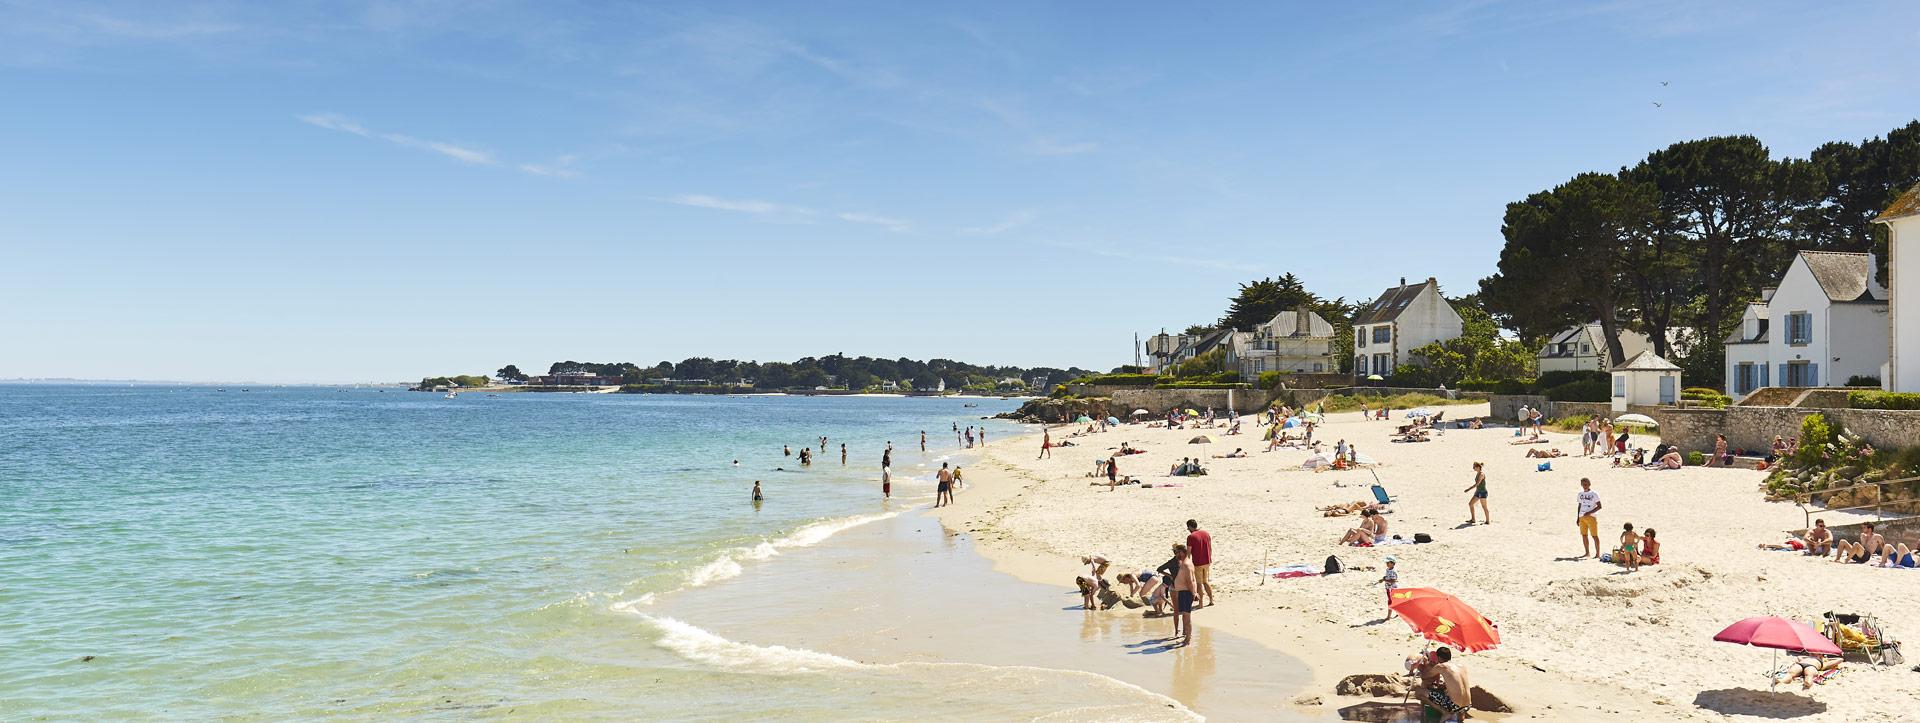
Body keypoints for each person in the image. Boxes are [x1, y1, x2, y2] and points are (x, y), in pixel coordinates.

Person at [1427, 647, 1471, 720]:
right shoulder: (1462, 666)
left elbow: (1426, 675)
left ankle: (1444, 712)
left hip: (1454, 706)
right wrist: (1445, 686)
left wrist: (1425, 663)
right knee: (1450, 693)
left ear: (1439, 658)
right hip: (1467, 705)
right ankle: (1461, 715)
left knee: (1420, 692)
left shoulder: (1441, 666)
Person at [1171, 543, 1196, 646]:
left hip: (1186, 593)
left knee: (1186, 617)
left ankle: (1188, 640)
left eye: (1177, 552)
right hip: (1183, 592)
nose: (1176, 554)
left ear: (1182, 552)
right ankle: (1186, 638)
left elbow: (1190, 581)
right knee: (1185, 616)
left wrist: (1194, 593)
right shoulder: (1185, 563)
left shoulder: (1186, 564)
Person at [1186, 519, 1213, 608]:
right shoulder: (1206, 533)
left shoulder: (1191, 537)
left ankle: (1200, 604)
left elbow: (1189, 552)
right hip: (1207, 561)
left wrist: (1186, 563)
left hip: (1198, 562)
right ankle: (1211, 600)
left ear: (1190, 526)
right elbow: (1210, 547)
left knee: (1199, 583)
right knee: (1206, 582)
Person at [1576, 478, 1603, 559]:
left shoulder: (1594, 494)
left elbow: (1599, 506)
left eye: (1586, 484)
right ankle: (1587, 553)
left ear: (1589, 484)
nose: (1584, 486)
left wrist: (1590, 512)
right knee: (1584, 535)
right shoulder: (1580, 494)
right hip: (1582, 517)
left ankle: (1597, 554)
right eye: (1583, 484)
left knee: (1594, 535)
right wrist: (1578, 517)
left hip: (1591, 517)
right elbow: (1579, 506)